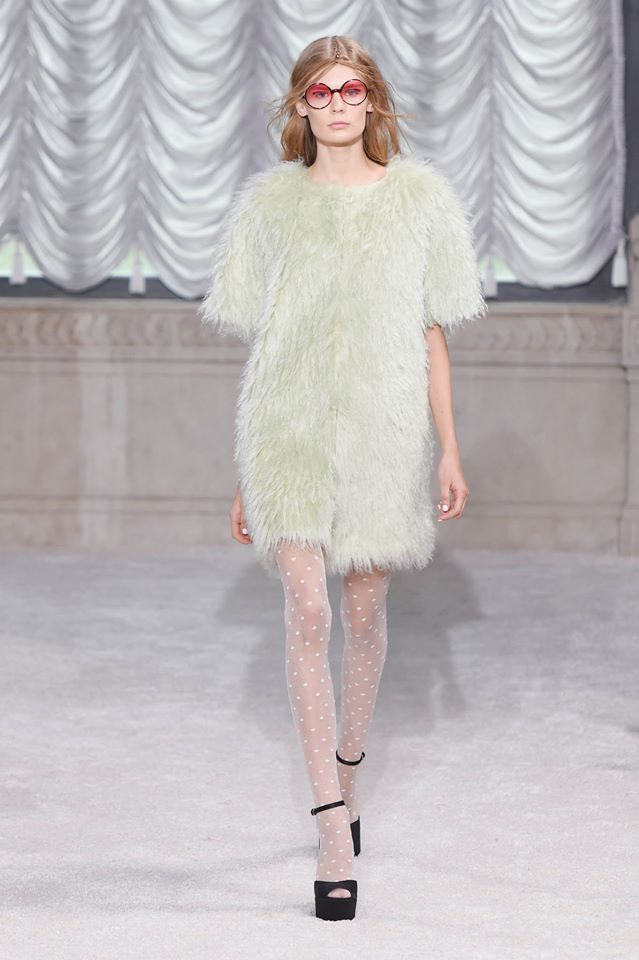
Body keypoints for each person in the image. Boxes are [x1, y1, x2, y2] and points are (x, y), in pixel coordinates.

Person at [199, 35, 486, 921]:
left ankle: (347, 777)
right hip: (283, 431)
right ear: (299, 105)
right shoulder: (270, 206)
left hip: (383, 434)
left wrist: (447, 448)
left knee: (362, 614)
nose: (334, 104)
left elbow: (433, 334)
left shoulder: (419, 201)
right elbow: (264, 339)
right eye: (318, 92)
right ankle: (331, 828)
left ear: (372, 100)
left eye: (349, 90)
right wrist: (244, 471)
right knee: (308, 611)